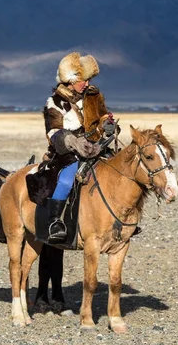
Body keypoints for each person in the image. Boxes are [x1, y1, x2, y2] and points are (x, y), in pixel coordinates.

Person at [37, 52, 116, 243]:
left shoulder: (94, 95)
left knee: (119, 169)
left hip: (97, 147)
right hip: (68, 152)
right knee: (66, 179)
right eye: (83, 80)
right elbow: (53, 132)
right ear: (71, 80)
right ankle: (54, 221)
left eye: (88, 79)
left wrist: (108, 124)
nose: (87, 84)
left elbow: (104, 115)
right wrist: (73, 142)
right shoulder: (55, 102)